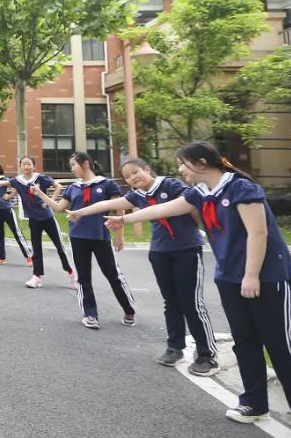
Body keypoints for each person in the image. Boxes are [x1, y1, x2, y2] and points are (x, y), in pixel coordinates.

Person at [105, 142, 291, 438]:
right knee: (245, 342)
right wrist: (125, 220)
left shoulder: (241, 188)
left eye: (182, 164)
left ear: (200, 163)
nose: (179, 170)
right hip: (229, 277)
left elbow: (258, 233)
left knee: (282, 348)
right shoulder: (201, 193)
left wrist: (251, 275)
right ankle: (254, 403)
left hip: (267, 277)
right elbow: (164, 209)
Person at [70, 157, 217, 375]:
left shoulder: (170, 184)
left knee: (191, 302)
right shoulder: (138, 195)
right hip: (159, 251)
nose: (132, 178)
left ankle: (207, 355)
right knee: (171, 301)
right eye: (127, 177)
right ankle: (175, 347)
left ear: (147, 169)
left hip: (186, 249)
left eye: (135, 172)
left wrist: (196, 228)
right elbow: (107, 205)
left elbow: (190, 208)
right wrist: (80, 212)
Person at [31, 152, 135, 330]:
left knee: (113, 275)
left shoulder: (107, 184)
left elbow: (119, 209)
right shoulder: (73, 188)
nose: (71, 169)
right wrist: (40, 193)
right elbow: (59, 208)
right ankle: (90, 314)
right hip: (78, 238)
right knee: (83, 278)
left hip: (101, 237)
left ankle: (128, 310)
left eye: (73, 165)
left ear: (85, 164)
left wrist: (119, 235)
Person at [7, 156, 75, 289]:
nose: (26, 166)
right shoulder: (18, 181)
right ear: (20, 166)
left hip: (48, 218)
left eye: (29, 164)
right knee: (36, 249)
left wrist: (49, 201)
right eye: (24, 164)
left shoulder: (41, 178)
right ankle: (37, 277)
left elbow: (58, 186)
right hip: (34, 220)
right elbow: (1, 183)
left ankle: (72, 274)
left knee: (60, 247)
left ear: (34, 166)